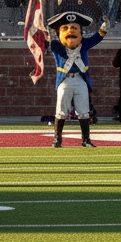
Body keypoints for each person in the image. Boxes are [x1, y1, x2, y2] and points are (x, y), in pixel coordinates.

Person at [48, 10, 108, 148]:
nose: (71, 31)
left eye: (74, 28)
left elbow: (98, 37)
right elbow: (46, 40)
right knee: (61, 111)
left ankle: (86, 140)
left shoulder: (84, 44)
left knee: (83, 110)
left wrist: (105, 26)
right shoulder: (57, 45)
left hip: (80, 80)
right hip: (65, 81)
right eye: (66, 28)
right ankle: (57, 140)